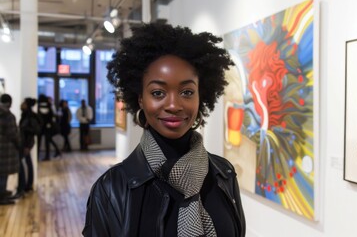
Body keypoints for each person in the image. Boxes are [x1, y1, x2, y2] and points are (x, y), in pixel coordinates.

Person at [83, 23, 246, 236]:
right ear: (140, 98)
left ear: (200, 97)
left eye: (187, 92)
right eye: (158, 93)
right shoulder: (111, 189)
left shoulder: (223, 174)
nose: (173, 105)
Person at [13, 97, 41, 198]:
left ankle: (23, 187)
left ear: (27, 105)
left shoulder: (30, 116)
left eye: (23, 103)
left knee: (21, 164)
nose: (21, 104)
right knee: (27, 163)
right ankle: (26, 186)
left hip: (26, 144)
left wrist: (28, 146)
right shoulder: (26, 115)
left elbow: (34, 131)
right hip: (25, 143)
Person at [0, 94, 20, 205]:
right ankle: (2, 197)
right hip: (6, 150)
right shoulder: (8, 116)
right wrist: (19, 145)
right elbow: (13, 134)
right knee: (3, 174)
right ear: (10, 102)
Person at [38, 94, 61, 160]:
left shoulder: (40, 106)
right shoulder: (49, 105)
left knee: (44, 141)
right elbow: (52, 116)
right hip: (48, 126)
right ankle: (48, 155)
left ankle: (39, 156)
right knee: (47, 141)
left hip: (43, 126)